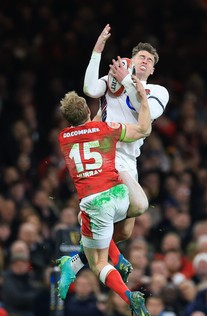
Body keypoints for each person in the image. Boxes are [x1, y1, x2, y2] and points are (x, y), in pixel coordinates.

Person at [64, 24, 169, 283]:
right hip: (108, 153)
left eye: (150, 60)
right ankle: (88, 215)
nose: (145, 61)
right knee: (139, 205)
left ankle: (76, 258)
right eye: (141, 57)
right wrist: (97, 51)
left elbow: (146, 111)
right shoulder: (113, 80)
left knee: (123, 231)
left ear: (153, 69)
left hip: (130, 158)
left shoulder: (158, 91)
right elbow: (89, 89)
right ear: (131, 60)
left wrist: (126, 80)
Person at [56, 76, 152, 316]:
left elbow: (85, 127)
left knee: (98, 262)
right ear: (88, 110)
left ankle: (129, 296)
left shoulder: (64, 137)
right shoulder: (104, 129)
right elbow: (143, 129)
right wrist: (143, 101)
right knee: (106, 225)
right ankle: (83, 262)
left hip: (95, 204)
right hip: (120, 196)